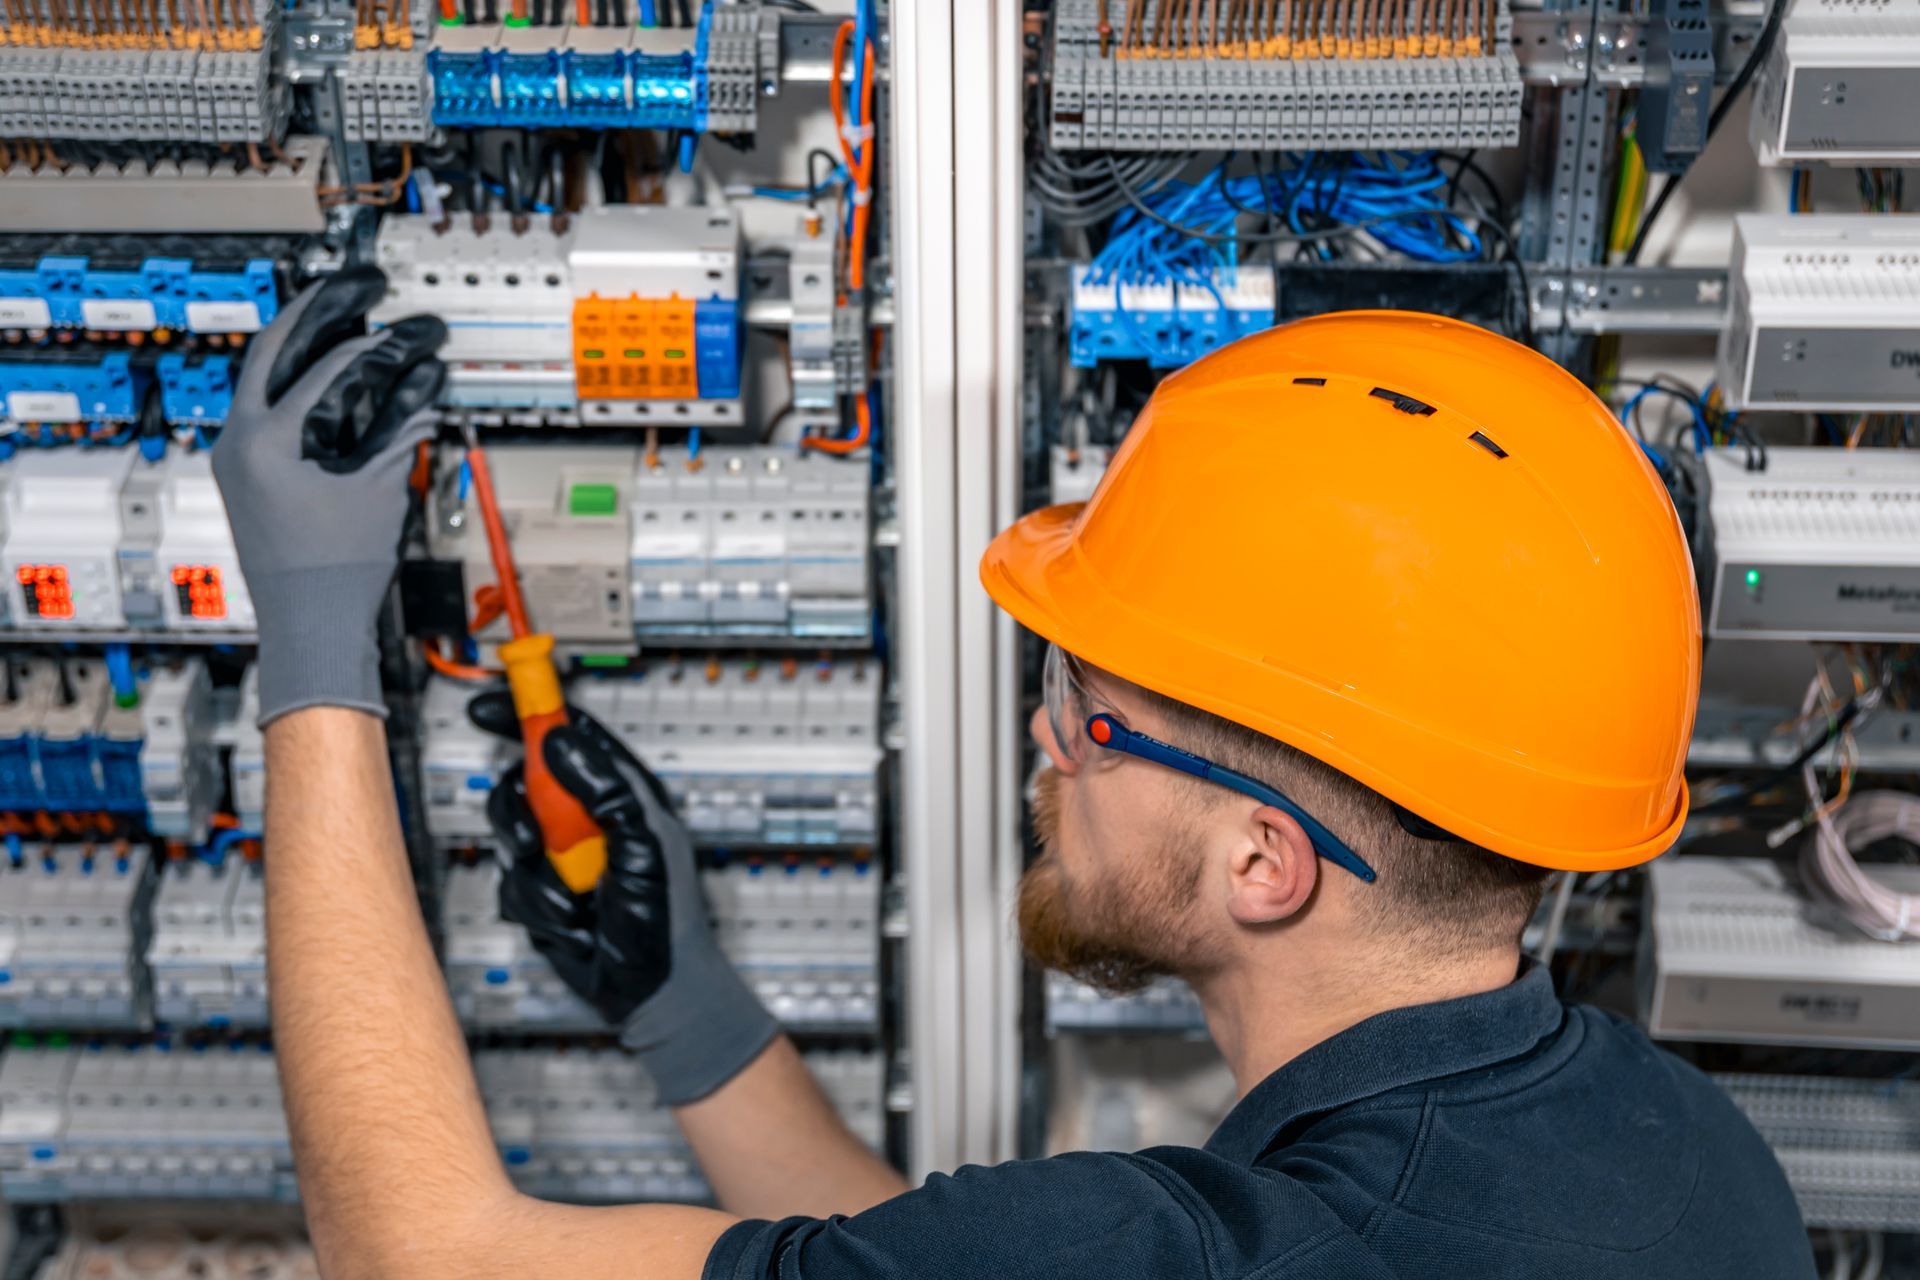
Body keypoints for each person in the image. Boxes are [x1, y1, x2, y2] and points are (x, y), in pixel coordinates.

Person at [215, 272, 1815, 1279]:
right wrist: (687, 1008)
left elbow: (415, 1253)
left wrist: (310, 639)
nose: (1047, 740)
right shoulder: (1690, 1154)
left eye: (1084, 707)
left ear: (1267, 863)